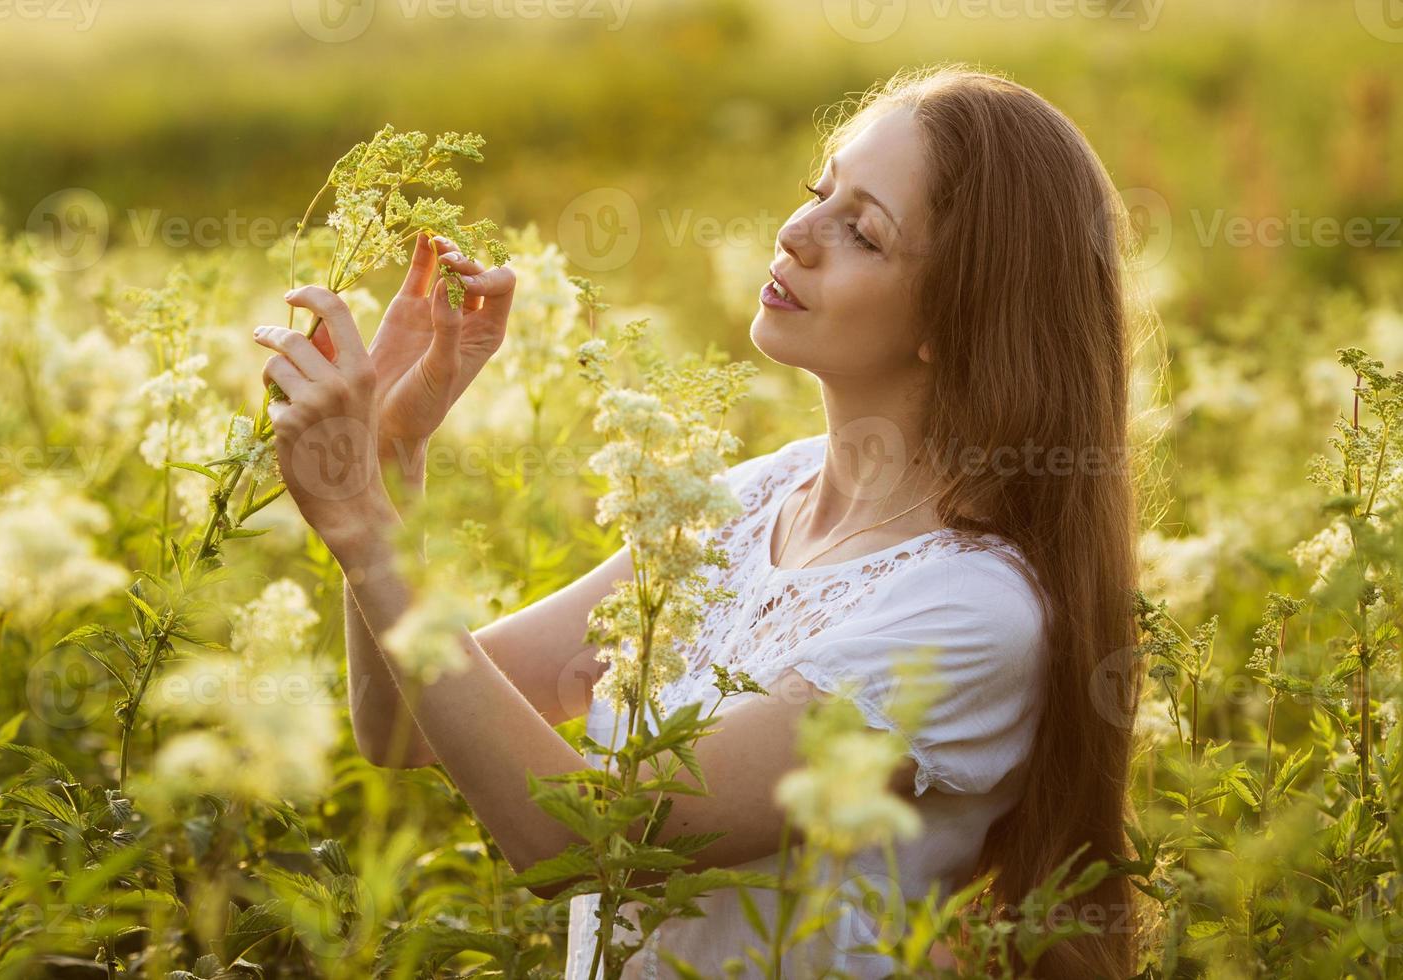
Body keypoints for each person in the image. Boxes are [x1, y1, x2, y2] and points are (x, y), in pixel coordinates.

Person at [252, 63, 1142, 979]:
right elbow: (399, 725)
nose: (796, 233)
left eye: (863, 233)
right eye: (818, 190)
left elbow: (593, 841)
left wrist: (360, 524)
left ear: (959, 321)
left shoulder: (970, 612)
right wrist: (396, 462)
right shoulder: (758, 498)